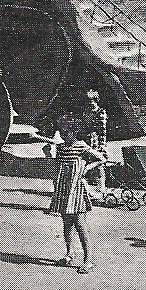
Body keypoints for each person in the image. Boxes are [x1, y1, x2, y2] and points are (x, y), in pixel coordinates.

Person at [49, 114, 108, 275]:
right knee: (66, 223)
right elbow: (57, 166)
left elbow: (101, 158)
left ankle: (88, 261)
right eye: (60, 132)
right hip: (63, 190)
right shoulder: (61, 148)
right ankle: (70, 254)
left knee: (80, 225)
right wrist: (48, 155)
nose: (62, 135)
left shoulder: (81, 146)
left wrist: (87, 168)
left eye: (65, 132)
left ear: (74, 131)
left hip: (77, 191)